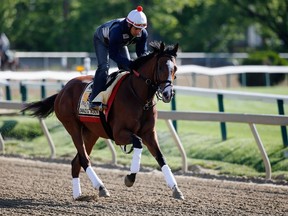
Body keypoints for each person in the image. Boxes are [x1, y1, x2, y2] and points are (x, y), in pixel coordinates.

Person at [89, 5, 148, 110]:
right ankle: (94, 100)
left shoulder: (142, 33)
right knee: (104, 67)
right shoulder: (117, 31)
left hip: (119, 43)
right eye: (137, 29)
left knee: (127, 69)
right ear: (129, 25)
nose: (139, 32)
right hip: (102, 40)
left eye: (141, 29)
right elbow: (113, 54)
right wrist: (129, 62)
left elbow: (142, 53)